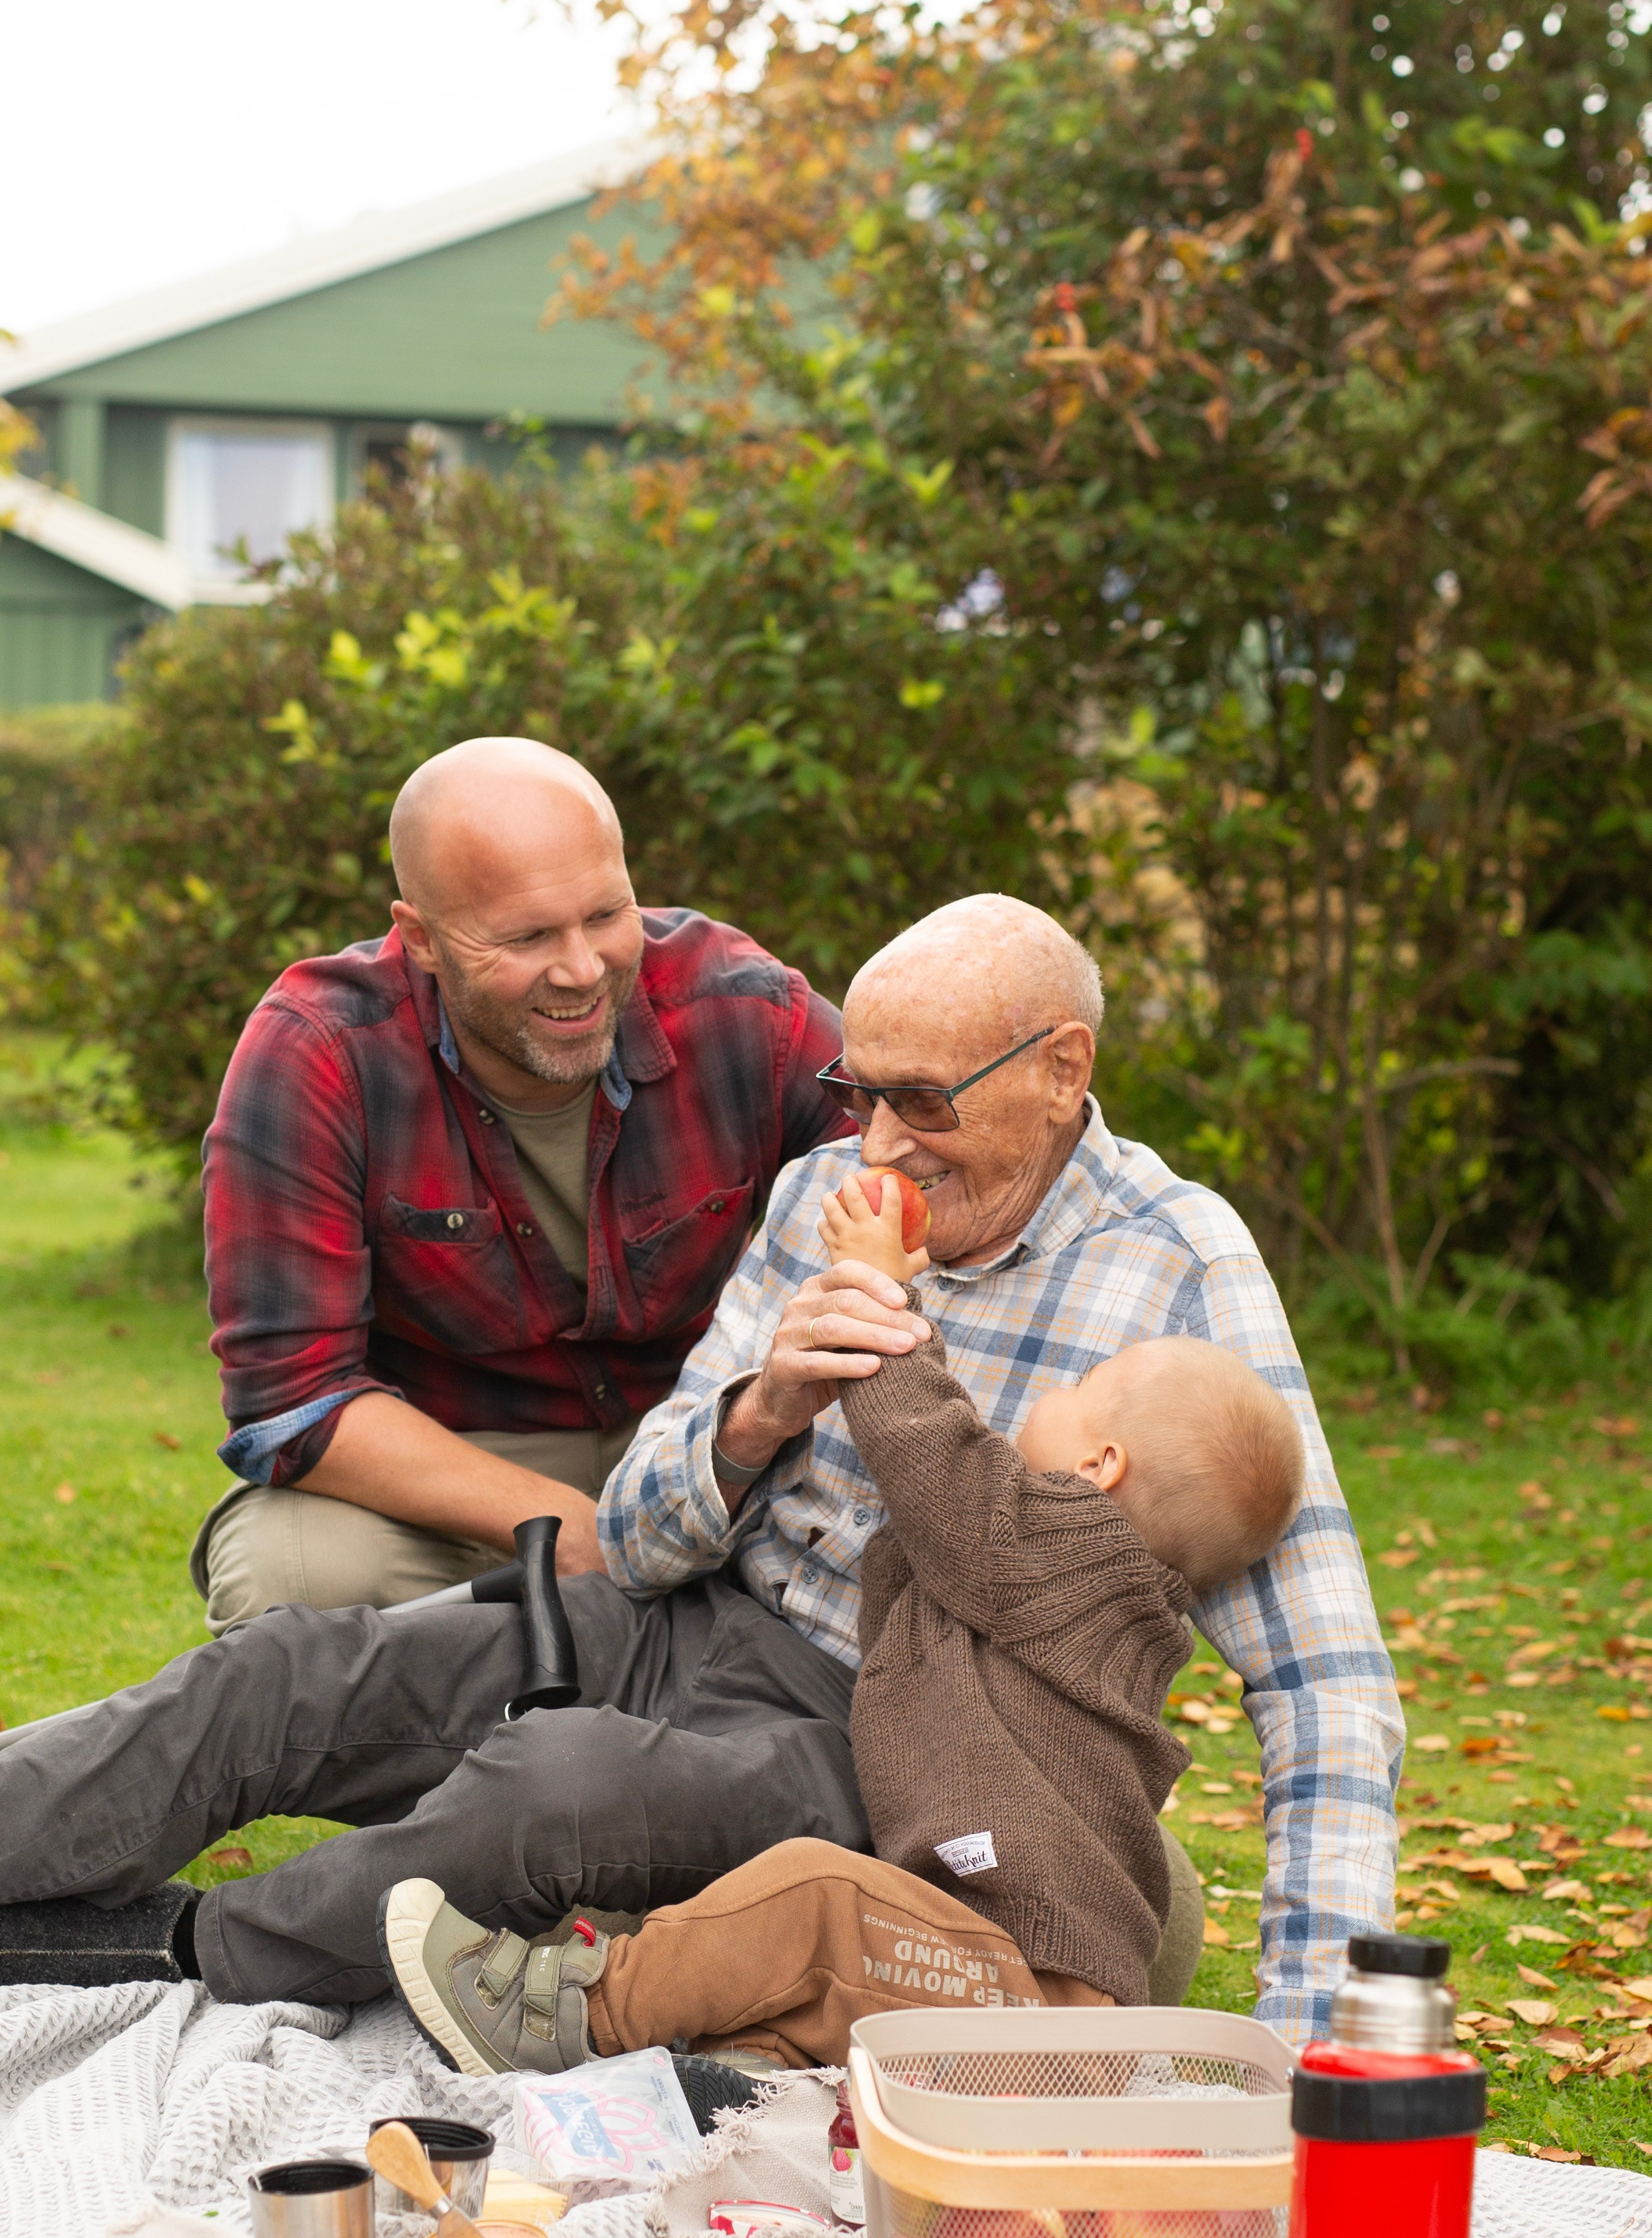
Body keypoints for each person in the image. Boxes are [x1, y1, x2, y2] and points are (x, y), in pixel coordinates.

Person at [0, 894, 1397, 2045]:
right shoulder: (821, 1195)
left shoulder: (1178, 1264)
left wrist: (1310, 2043)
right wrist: (757, 1412)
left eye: (924, 1100)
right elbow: (647, 1530)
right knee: (286, 1672)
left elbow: (1322, 1679)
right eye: (859, 1093)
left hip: (899, 1739)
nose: (884, 1142)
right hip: (694, 1623)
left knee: (548, 1789)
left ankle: (170, 1943)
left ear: (1059, 1068)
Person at [378, 1175, 1307, 2075]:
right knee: (824, 1981)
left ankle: (564, 2011)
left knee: (816, 1899)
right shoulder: (1075, 1593)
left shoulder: (1073, 1554)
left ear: (1102, 1465)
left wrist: (881, 1289)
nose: (1043, 1401)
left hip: (1032, 1998)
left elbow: (928, 1449)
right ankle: (737, 2084)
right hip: (984, 1980)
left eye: (1078, 1390)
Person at [192, 734, 851, 1629]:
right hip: (454, 1463)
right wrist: (567, 1528)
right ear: (420, 937)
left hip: (699, 1434)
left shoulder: (741, 1008)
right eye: (528, 936)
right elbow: (292, 1401)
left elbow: (920, 1156)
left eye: (605, 916)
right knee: (296, 1578)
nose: (582, 969)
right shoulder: (318, 1054)